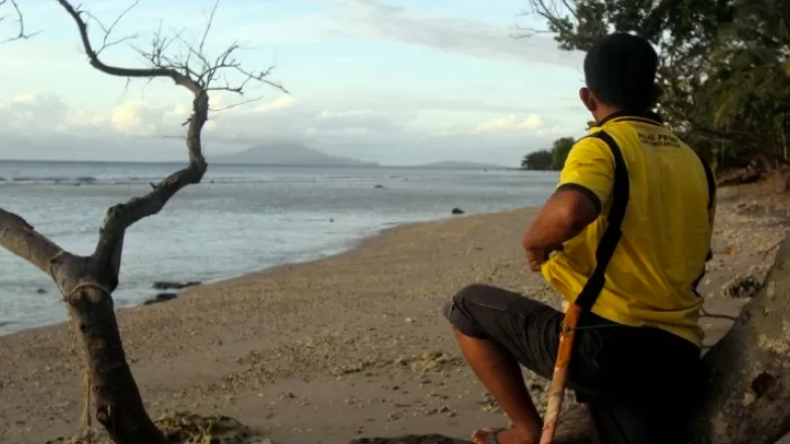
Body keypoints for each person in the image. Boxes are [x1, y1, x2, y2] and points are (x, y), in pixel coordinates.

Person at [442, 32, 714, 444]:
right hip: (678, 352)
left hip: (609, 348)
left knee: (466, 306)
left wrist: (536, 244)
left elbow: (569, 211)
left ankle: (525, 430)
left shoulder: (603, 144)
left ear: (588, 99)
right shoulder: (693, 159)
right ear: (656, 91)